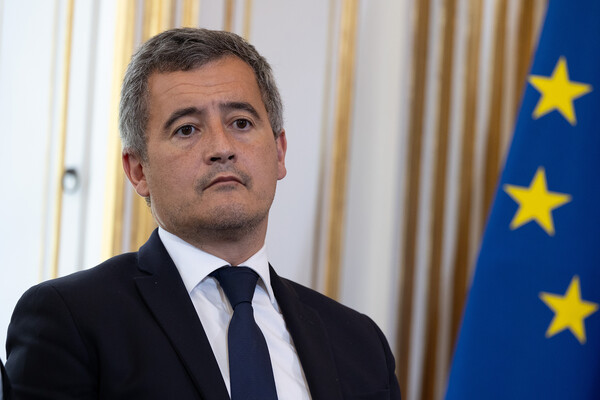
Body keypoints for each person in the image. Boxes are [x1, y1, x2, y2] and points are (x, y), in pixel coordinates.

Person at [6, 28, 401, 399]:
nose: (221, 148)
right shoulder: (72, 319)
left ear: (280, 152)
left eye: (241, 123)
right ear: (138, 170)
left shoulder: (361, 344)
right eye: (187, 129)